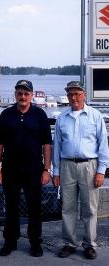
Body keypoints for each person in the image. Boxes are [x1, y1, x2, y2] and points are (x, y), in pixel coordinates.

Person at [0, 80, 52, 257]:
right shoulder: (6, 114)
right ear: (15, 95)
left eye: (26, 93)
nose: (23, 96)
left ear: (32, 95)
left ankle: (35, 242)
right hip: (10, 169)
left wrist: (46, 169)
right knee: (11, 206)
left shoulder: (40, 114)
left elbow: (47, 145)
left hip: (34, 169)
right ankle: (10, 241)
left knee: (34, 207)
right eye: (20, 93)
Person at [53, 81, 109, 260]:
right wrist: (56, 172)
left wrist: (101, 171)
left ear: (84, 94)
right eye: (70, 94)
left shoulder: (95, 116)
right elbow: (57, 146)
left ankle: (90, 244)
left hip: (89, 166)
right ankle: (70, 243)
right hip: (67, 165)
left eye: (77, 93)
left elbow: (103, 145)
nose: (73, 97)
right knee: (67, 207)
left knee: (90, 209)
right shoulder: (62, 117)